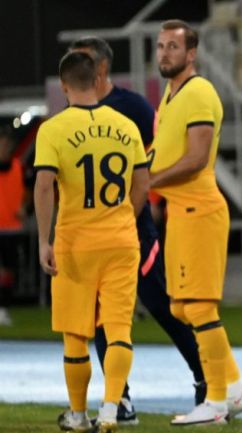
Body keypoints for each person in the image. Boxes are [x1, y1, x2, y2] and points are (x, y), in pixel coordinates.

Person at [67, 36, 207, 424]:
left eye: (83, 61)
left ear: (102, 67)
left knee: (163, 305)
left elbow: (155, 160)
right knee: (100, 317)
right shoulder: (75, 111)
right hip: (93, 237)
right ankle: (120, 399)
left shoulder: (133, 108)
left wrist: (147, 210)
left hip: (135, 233)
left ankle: (205, 378)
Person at [34, 51, 150, 433]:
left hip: (75, 243)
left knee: (75, 334)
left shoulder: (53, 129)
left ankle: (79, 415)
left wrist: (43, 240)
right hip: (120, 241)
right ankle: (112, 410)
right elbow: (142, 185)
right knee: (119, 329)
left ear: (65, 86)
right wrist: (122, 220)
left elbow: (44, 186)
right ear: (97, 81)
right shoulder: (125, 125)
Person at [149, 19, 242, 425]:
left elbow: (195, 158)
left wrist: (149, 182)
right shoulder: (171, 97)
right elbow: (161, 151)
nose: (164, 54)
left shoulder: (199, 92)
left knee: (200, 305)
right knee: (180, 306)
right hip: (180, 213)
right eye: (160, 47)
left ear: (191, 54)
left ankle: (214, 403)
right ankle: (234, 389)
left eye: (172, 47)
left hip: (200, 209)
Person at [0, 126, 28, 326]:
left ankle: (4, 308)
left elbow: (29, 190)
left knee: (9, 270)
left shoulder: (19, 167)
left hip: (12, 227)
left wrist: (24, 208)